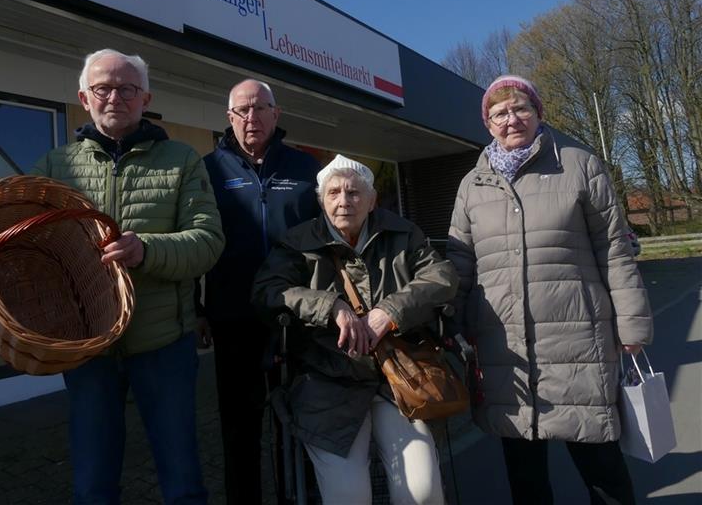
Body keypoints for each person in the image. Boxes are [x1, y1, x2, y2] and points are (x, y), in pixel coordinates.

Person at [0, 48, 225, 505]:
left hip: (163, 345)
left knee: (183, 481)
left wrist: (147, 249)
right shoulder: (57, 165)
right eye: (103, 88)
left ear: (145, 97)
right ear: (84, 97)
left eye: (127, 88)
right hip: (86, 348)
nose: (115, 97)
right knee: (92, 485)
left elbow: (208, 240)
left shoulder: (181, 160)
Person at [446, 74, 653, 505]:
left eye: (521, 108)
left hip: (579, 340)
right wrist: (452, 323)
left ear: (539, 113)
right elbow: (461, 262)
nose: (511, 119)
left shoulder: (579, 164)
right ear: (488, 124)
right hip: (506, 354)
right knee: (525, 475)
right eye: (499, 113)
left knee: (601, 466)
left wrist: (632, 324)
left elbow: (614, 248)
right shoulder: (472, 186)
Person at [252, 155, 458, 505]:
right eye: (333, 193)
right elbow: (268, 290)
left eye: (354, 193)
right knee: (349, 497)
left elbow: (442, 276)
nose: (343, 201)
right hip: (327, 381)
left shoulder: (403, 233)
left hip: (398, 379)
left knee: (422, 494)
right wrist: (329, 306)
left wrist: (392, 310)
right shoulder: (297, 242)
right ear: (321, 200)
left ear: (373, 199)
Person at [198, 78, 320, 505]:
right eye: (242, 110)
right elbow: (194, 240)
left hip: (300, 319)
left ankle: (300, 497)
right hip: (234, 318)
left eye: (260, 108)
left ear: (276, 113)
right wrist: (199, 309)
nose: (251, 117)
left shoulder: (307, 169)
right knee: (239, 428)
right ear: (229, 118)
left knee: (302, 423)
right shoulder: (208, 171)